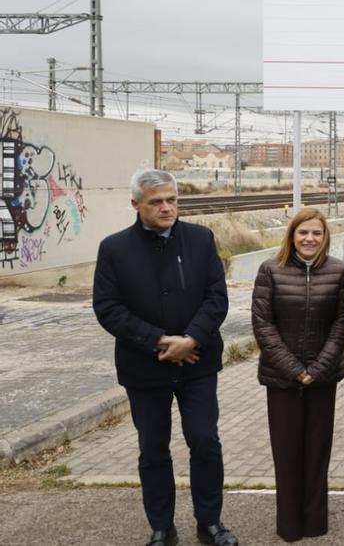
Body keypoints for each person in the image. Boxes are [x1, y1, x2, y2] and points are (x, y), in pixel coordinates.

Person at [93, 169, 238, 546]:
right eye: (156, 201)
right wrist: (158, 341)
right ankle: (161, 526)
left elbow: (216, 298)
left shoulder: (201, 239)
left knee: (205, 441)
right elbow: (108, 308)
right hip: (145, 367)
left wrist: (191, 339)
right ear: (136, 204)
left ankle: (210, 523)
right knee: (153, 449)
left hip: (198, 363)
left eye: (172, 199)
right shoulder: (114, 249)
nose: (167, 207)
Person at [251, 207, 344, 542]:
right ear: (292, 235)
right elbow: (263, 325)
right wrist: (294, 369)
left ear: (325, 237)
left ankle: (315, 522)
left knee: (317, 449)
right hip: (281, 379)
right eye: (303, 233)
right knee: (287, 450)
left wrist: (319, 368)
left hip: (323, 378)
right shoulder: (270, 270)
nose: (310, 239)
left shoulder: (340, 271)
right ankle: (290, 525)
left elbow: (342, 324)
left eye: (317, 233)